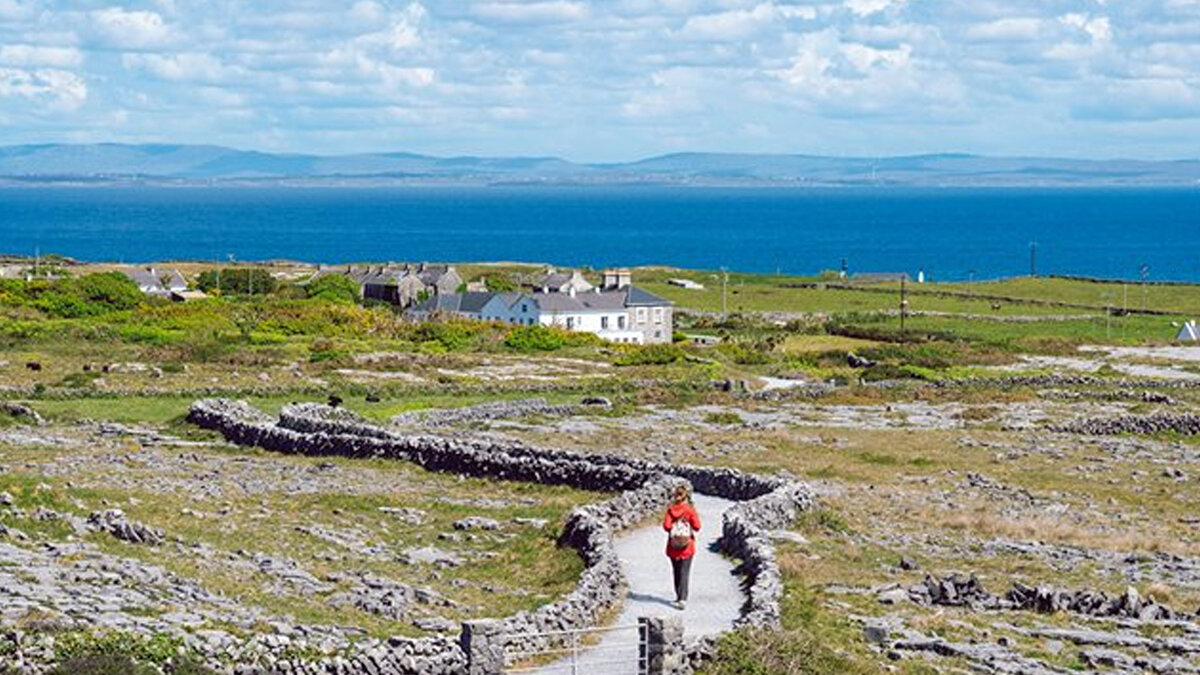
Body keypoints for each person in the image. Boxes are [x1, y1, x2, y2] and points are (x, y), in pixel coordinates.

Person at [663, 484, 701, 610]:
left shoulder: (670, 510)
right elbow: (697, 527)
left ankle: (678, 595)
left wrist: (675, 524)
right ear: (686, 497)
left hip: (673, 546)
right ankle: (683, 599)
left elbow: (666, 527)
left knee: (676, 571)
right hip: (687, 546)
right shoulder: (690, 510)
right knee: (685, 572)